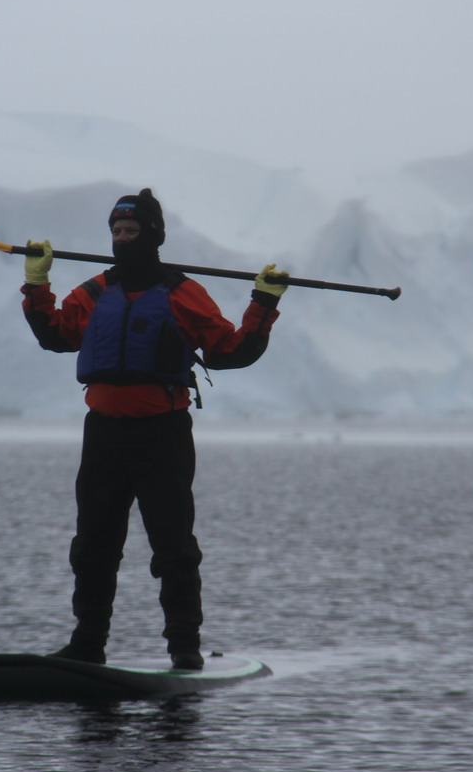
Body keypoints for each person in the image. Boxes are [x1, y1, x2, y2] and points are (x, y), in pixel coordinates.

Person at [20, 188, 287, 670]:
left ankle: (184, 648)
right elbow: (54, 335)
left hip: (162, 437)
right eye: (116, 232)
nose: (122, 239)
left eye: (131, 231)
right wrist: (37, 282)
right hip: (103, 436)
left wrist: (263, 303)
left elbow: (230, 351)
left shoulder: (184, 294)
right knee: (93, 547)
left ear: (153, 235)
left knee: (174, 548)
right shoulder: (95, 292)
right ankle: (88, 644)